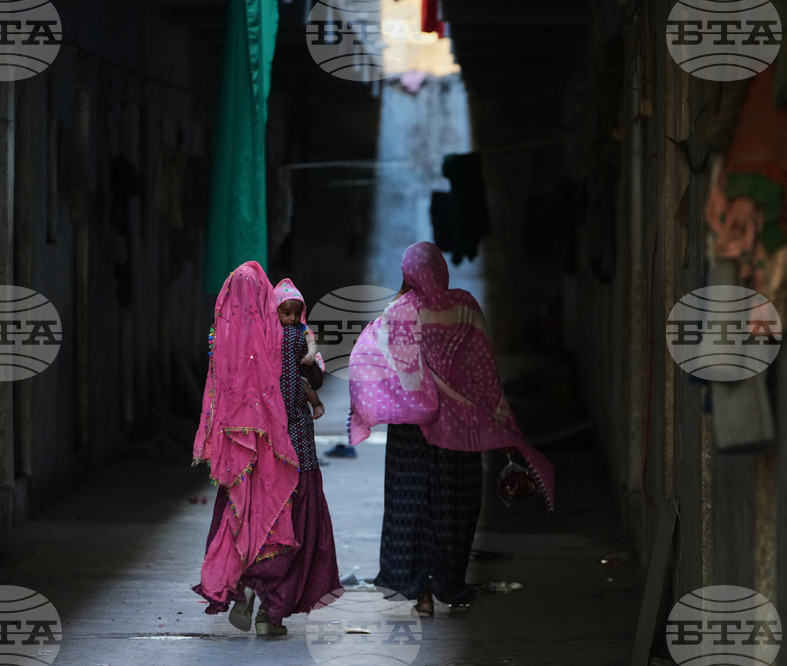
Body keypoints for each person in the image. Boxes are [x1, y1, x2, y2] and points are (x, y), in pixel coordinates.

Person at [347, 241, 556, 616]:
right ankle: (449, 584)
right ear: (442, 269)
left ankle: (420, 592)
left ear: (406, 273)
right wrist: (500, 423)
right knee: (454, 506)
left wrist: (380, 405)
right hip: (460, 429)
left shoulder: (396, 312)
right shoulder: (465, 308)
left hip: (411, 428)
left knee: (411, 504)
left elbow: (370, 361)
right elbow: (483, 373)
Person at [192, 262, 341, 636]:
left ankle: (243, 587)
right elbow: (311, 380)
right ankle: (270, 611)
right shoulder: (288, 338)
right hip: (291, 449)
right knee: (289, 523)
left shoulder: (221, 341)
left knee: (246, 521)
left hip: (243, 457)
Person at [274, 278, 325, 421]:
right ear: (275, 310)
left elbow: (312, 342)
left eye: (297, 313)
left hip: (295, 371)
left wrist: (310, 354)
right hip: (277, 373)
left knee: (304, 387)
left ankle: (317, 405)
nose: (293, 318)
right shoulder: (271, 329)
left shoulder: (301, 328)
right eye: (287, 313)